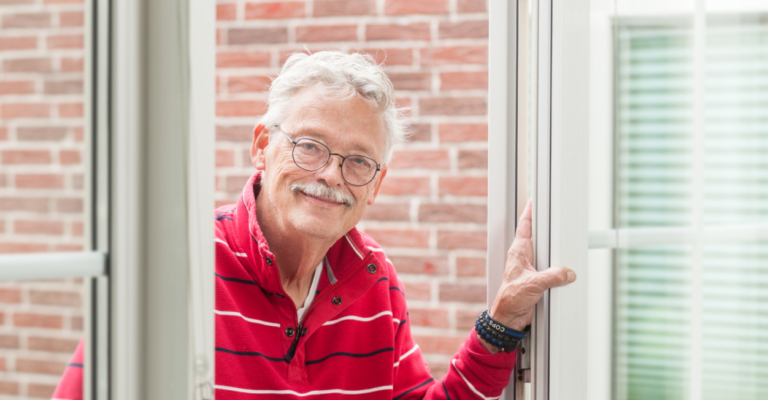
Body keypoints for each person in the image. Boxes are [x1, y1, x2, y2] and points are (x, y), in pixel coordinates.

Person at [53, 51, 576, 399]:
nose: (330, 175)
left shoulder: (376, 280)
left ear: (375, 184)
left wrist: (502, 322)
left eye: (357, 161)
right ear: (262, 146)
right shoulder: (176, 267)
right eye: (309, 146)